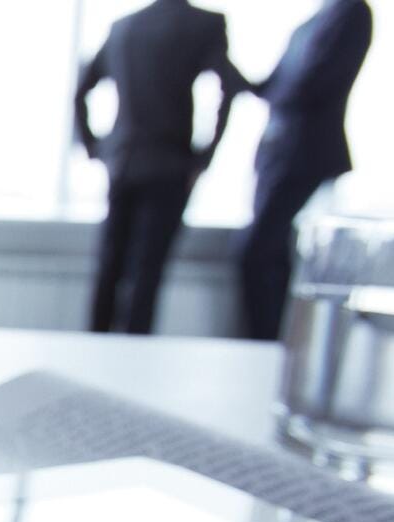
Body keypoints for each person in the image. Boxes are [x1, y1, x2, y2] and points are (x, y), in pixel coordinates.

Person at [75, 0, 246, 335]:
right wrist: (203, 158)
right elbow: (229, 90)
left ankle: (94, 349)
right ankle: (133, 359)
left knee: (109, 267)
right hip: (170, 165)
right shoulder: (204, 24)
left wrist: (96, 148)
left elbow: (80, 92)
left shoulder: (125, 26)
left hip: (122, 162)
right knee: (147, 272)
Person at [236, 0, 373, 340]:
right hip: (276, 151)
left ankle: (271, 342)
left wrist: (279, 95)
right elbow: (274, 86)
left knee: (255, 251)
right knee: (271, 253)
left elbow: (311, 85)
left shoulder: (350, 13)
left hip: (307, 153)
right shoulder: (310, 23)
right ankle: (273, 341)